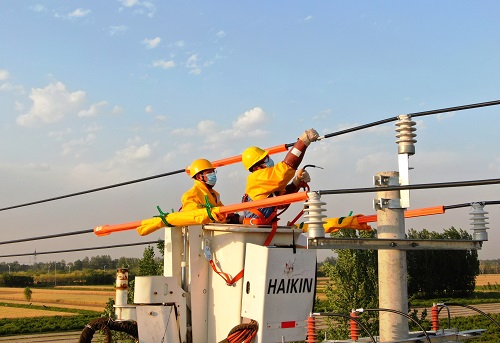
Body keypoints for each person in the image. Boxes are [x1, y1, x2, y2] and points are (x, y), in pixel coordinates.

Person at [241, 128, 319, 225]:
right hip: (255, 229)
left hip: (262, 227)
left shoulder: (265, 185)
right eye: (265, 159)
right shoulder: (256, 178)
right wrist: (303, 142)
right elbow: (285, 169)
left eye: (268, 157)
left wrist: (296, 181)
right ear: (256, 168)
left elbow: (282, 201)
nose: (269, 160)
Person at [182, 158, 240, 224]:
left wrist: (231, 216)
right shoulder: (191, 195)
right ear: (199, 177)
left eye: (213, 172)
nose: (213, 175)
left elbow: (223, 212)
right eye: (209, 172)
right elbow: (194, 218)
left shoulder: (215, 194)